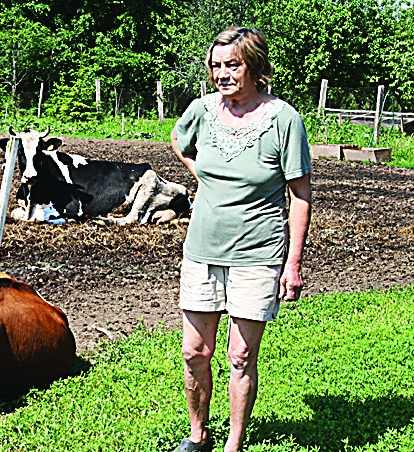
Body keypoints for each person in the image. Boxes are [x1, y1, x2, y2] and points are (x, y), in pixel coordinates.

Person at [169, 27, 312, 452]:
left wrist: (293, 263)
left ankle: (233, 444)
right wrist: (205, 181)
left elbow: (300, 196)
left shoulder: (283, 119)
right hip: (202, 251)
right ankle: (198, 436)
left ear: (255, 67)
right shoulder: (202, 110)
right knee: (195, 351)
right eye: (216, 65)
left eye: (233, 65)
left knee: (241, 356)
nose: (222, 74)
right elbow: (179, 140)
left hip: (258, 253)